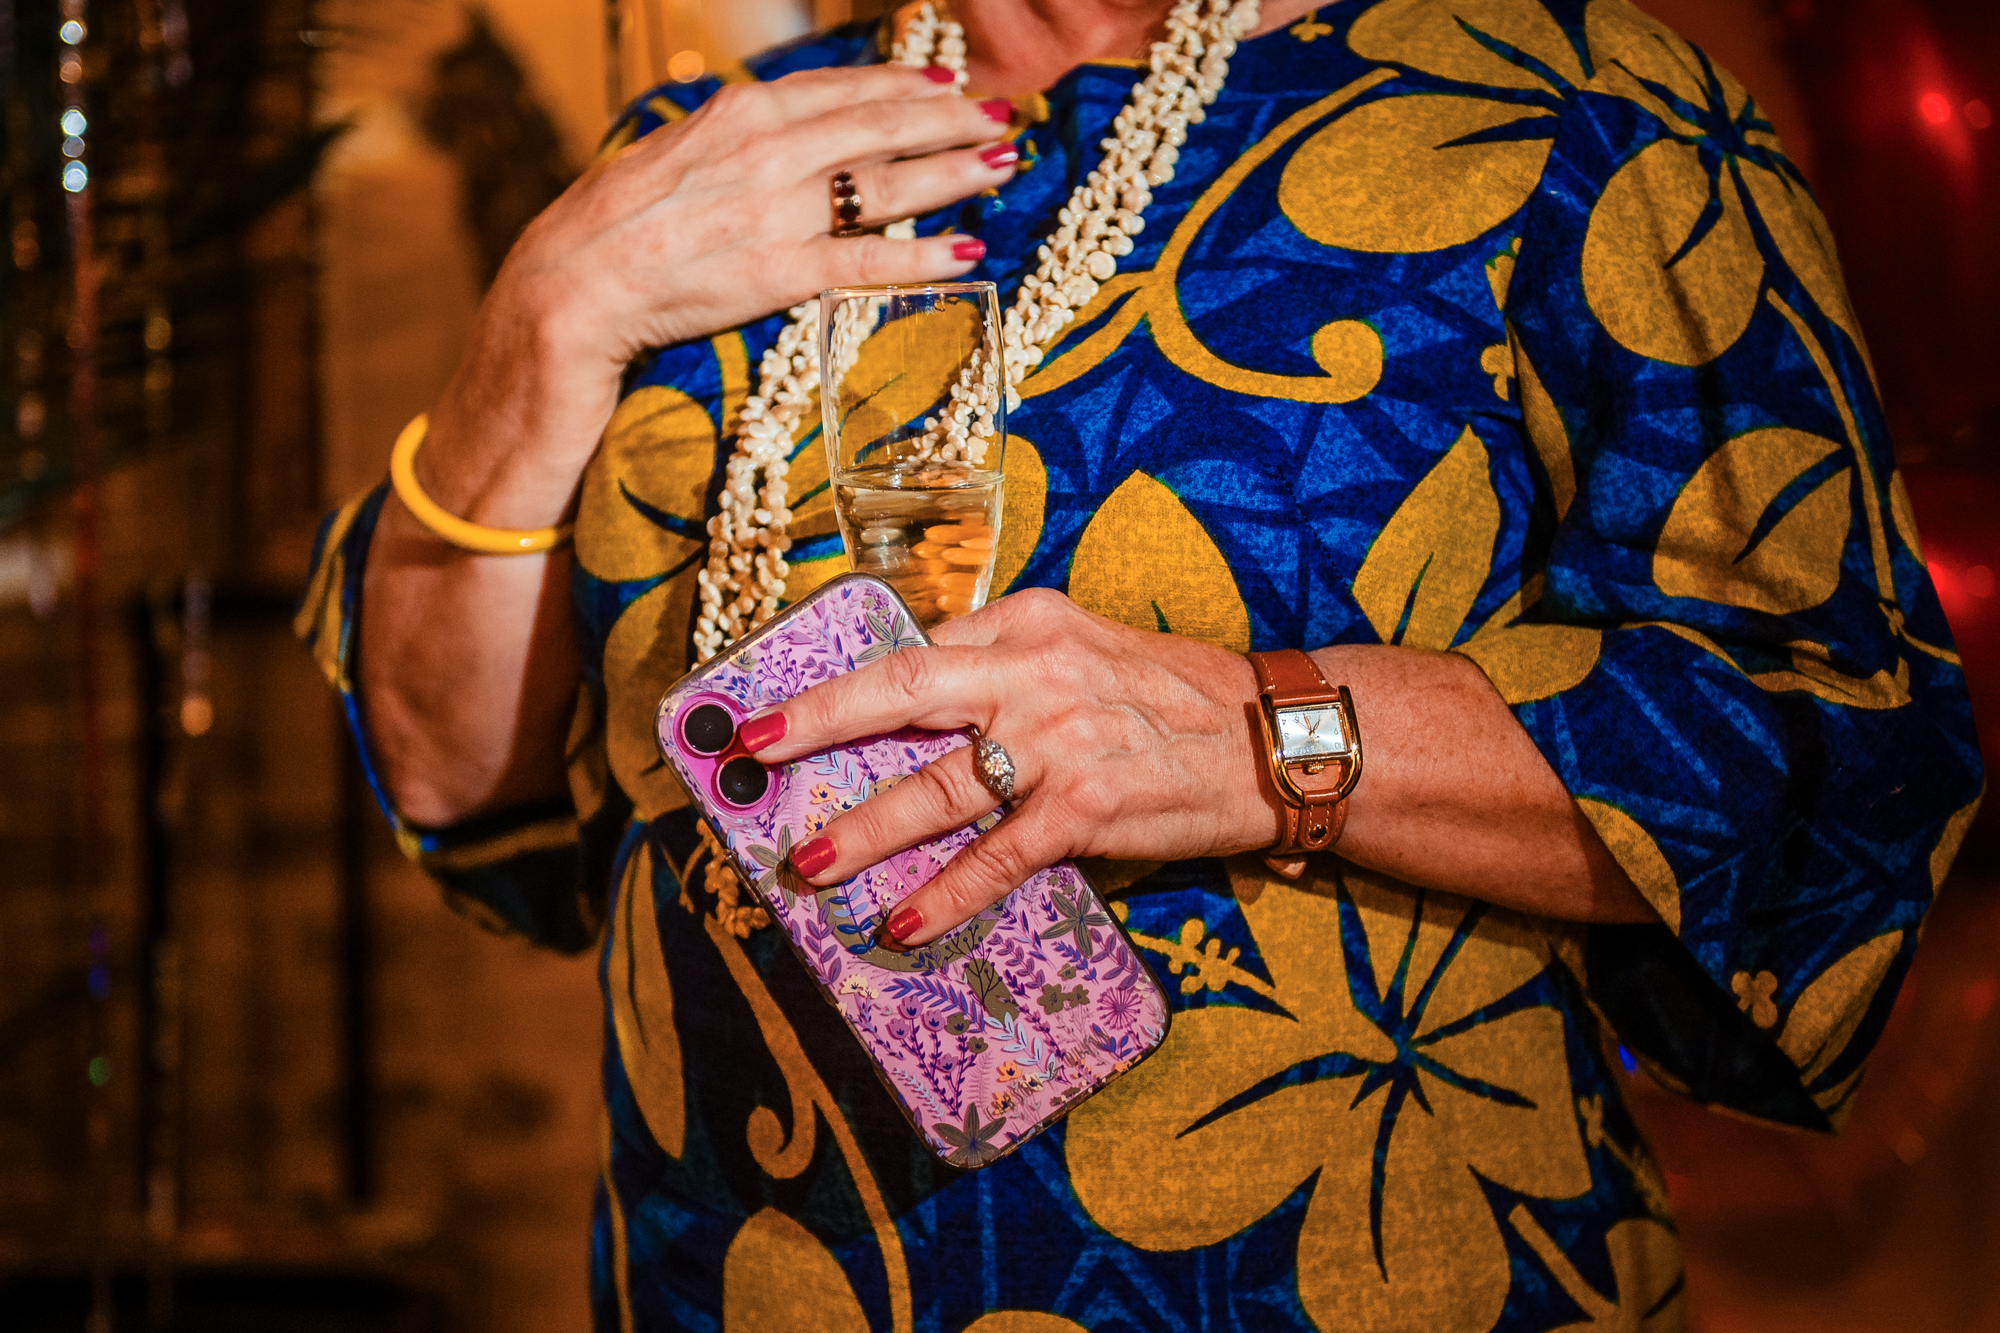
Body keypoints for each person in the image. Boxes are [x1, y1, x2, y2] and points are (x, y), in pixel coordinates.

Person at [297, 0, 1984, 1327]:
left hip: (1363, 1281)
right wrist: (546, 322)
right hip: (727, 1284)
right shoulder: (699, 159)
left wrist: (1263, 735)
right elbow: (461, 783)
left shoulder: (1564, 109)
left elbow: (1836, 751)